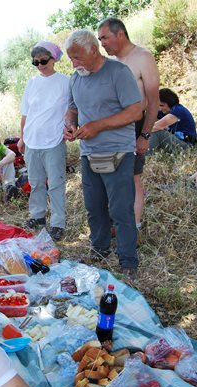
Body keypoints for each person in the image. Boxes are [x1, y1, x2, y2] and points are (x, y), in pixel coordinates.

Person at [63, 29, 143, 279]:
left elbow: (135, 112)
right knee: (94, 208)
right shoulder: (76, 78)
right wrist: (70, 124)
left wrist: (98, 126)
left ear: (93, 51)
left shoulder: (118, 73)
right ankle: (99, 252)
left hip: (118, 152)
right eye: (71, 59)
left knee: (120, 210)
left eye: (78, 58)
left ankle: (128, 260)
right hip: (89, 154)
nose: (75, 64)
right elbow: (73, 107)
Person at [97, 17, 160, 235]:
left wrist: (145, 135)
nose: (101, 43)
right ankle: (116, 224)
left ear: (120, 34)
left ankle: (134, 228)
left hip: (134, 127)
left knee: (132, 179)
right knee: (109, 178)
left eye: (104, 37)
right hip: (109, 130)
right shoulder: (109, 64)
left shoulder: (142, 57)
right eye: (99, 39)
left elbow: (153, 101)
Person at [18, 41, 70, 241]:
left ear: (54, 59)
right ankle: (37, 216)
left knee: (56, 183)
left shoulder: (66, 82)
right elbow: (25, 113)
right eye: (36, 62)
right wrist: (22, 137)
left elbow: (72, 110)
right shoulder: (31, 83)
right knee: (36, 182)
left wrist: (70, 128)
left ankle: (58, 223)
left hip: (54, 141)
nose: (40, 65)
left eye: (44, 61)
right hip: (32, 141)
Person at [148, 88, 197, 153]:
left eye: (162, 105)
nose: (160, 108)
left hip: (187, 146)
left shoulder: (178, 110)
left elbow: (156, 127)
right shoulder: (162, 112)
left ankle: (142, 156)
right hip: (176, 141)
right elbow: (149, 120)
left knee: (158, 132)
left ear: (170, 103)